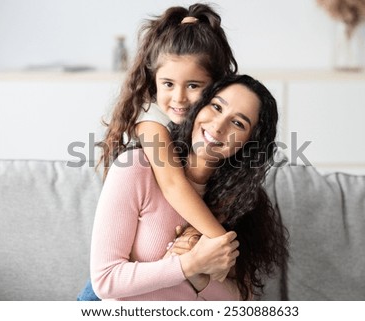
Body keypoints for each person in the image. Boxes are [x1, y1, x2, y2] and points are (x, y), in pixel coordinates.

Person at [78, 3, 237, 300]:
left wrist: (196, 239)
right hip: (105, 298)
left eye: (193, 85)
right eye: (168, 84)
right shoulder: (151, 120)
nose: (179, 97)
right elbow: (174, 185)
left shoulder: (214, 135)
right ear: (153, 82)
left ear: (217, 86)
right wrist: (218, 241)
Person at [90, 74, 289, 300]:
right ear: (198, 106)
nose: (218, 125)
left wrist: (200, 278)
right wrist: (190, 264)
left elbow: (243, 301)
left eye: (238, 123)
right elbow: (105, 281)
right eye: (216, 107)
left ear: (249, 144)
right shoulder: (137, 168)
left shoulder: (242, 202)